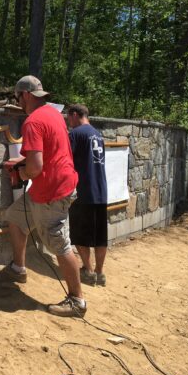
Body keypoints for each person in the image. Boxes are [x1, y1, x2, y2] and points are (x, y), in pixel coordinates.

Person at [0, 75, 86, 318]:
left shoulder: (33, 122)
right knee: (15, 218)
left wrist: (20, 171)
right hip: (53, 185)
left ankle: (77, 301)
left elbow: (35, 168)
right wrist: (23, 164)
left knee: (59, 245)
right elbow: (47, 152)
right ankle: (18, 268)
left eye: (18, 98)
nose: (18, 103)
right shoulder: (54, 115)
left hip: (52, 192)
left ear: (25, 95)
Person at [67, 104, 108, 286]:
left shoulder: (75, 134)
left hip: (83, 192)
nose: (68, 122)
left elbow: (66, 159)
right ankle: (100, 273)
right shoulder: (97, 135)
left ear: (75, 115)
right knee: (100, 235)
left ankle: (89, 271)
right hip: (101, 191)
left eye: (69, 118)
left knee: (80, 234)